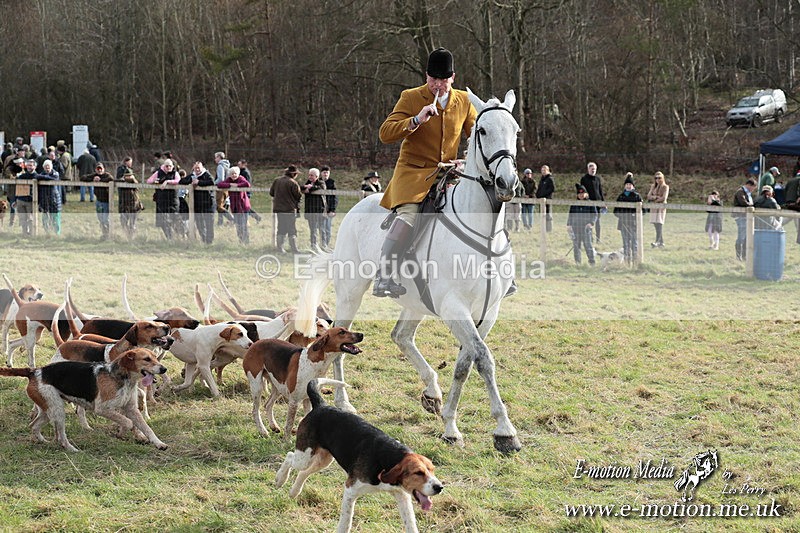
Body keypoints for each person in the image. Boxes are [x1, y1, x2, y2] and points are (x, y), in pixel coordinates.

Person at [375, 47, 477, 297]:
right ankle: (383, 276)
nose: (437, 85)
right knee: (409, 215)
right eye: (433, 79)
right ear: (426, 76)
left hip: (449, 175)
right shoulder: (410, 97)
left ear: (453, 78)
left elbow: (476, 136)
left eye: (443, 80)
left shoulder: (465, 100)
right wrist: (416, 120)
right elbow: (385, 133)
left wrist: (465, 160)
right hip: (413, 174)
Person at [180, 161, 215, 244]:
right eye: (195, 168)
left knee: (209, 222)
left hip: (208, 202)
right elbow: (182, 181)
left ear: (202, 168)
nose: (197, 169)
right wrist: (191, 182)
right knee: (199, 222)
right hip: (197, 203)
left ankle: (209, 241)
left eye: (198, 168)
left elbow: (212, 182)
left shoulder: (206, 174)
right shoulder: (192, 175)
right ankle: (203, 238)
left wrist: (199, 182)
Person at [269, 165, 302, 253]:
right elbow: (298, 196)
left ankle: (280, 248)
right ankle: (294, 248)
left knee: (281, 228)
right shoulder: (293, 183)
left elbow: (271, 193)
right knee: (291, 229)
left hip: (279, 209)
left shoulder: (277, 180)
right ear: (294, 174)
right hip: (289, 209)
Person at [147, 158, 181, 240]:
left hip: (172, 200)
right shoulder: (158, 172)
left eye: (170, 166)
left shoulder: (175, 173)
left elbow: (178, 180)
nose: (168, 167)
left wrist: (167, 182)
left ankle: (179, 236)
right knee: (163, 221)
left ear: (172, 166)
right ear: (164, 166)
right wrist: (156, 181)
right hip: (161, 200)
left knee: (174, 219)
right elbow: (149, 181)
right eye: (166, 166)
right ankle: (170, 238)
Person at [217, 166, 251, 244]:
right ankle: (241, 241)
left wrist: (236, 185)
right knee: (238, 225)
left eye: (235, 173)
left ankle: (246, 242)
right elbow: (220, 184)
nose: (234, 175)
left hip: (243, 206)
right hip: (235, 206)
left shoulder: (241, 178)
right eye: (232, 174)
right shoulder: (229, 180)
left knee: (243, 225)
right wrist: (230, 184)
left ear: (238, 174)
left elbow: (247, 184)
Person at [613, 173, 642, 266]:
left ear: (633, 186)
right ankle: (627, 263)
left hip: (633, 224)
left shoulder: (637, 196)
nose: (628, 186)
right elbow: (615, 211)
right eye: (627, 184)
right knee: (626, 244)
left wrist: (634, 216)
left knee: (634, 244)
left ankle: (636, 263)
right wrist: (622, 216)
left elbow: (643, 210)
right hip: (623, 224)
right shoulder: (621, 197)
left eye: (630, 184)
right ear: (624, 186)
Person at [81, 162, 114, 239]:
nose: (99, 170)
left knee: (105, 219)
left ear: (103, 169)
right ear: (95, 170)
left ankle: (109, 234)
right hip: (98, 201)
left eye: (101, 169)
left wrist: (100, 180)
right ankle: (104, 234)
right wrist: (93, 179)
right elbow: (83, 177)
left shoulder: (107, 175)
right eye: (98, 169)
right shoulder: (94, 175)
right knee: (100, 219)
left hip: (106, 202)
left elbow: (111, 179)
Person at [566, 183, 597, 265]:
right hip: (575, 228)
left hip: (586, 228)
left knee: (588, 245)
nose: (581, 195)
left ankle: (592, 262)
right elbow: (570, 215)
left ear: (586, 194)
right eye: (579, 194)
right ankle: (578, 263)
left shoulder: (590, 203)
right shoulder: (574, 204)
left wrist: (591, 223)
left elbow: (594, 215)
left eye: (583, 193)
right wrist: (569, 224)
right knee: (576, 246)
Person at [302, 168, 327, 252]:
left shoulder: (321, 183)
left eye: (312, 175)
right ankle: (314, 245)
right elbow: (301, 188)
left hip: (319, 210)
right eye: (309, 175)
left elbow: (321, 188)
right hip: (310, 210)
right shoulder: (307, 183)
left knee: (322, 229)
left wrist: (310, 188)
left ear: (317, 176)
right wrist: (306, 187)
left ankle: (324, 245)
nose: (310, 177)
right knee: (313, 229)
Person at [732, 178, 756, 261]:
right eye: (753, 188)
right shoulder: (740, 192)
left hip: (746, 216)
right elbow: (743, 203)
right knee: (741, 237)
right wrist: (752, 206)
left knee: (746, 237)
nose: (753, 190)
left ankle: (744, 256)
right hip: (741, 216)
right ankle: (738, 256)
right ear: (749, 185)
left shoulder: (747, 193)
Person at [116, 166, 143, 239]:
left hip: (134, 207)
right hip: (124, 206)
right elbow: (115, 181)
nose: (128, 177)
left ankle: (131, 238)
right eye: (126, 176)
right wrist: (122, 180)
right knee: (123, 223)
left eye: (129, 175)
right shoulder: (121, 182)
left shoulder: (134, 182)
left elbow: (136, 185)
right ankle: (128, 235)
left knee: (132, 224)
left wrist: (132, 179)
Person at [580, 162, 605, 241]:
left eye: (594, 169)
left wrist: (603, 202)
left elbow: (600, 191)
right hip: (589, 203)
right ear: (588, 169)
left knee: (598, 221)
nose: (593, 170)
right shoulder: (584, 179)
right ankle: (590, 238)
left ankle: (598, 238)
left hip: (598, 203)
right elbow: (582, 191)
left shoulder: (597, 179)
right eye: (592, 169)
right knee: (589, 221)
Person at [14, 159, 39, 236]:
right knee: (22, 218)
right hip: (20, 200)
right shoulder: (22, 176)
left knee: (31, 218)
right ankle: (24, 233)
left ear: (35, 167)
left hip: (31, 201)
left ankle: (31, 233)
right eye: (28, 165)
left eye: (31, 165)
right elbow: (17, 188)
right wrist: (15, 199)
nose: (29, 167)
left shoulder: (37, 176)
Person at [38, 160, 62, 235]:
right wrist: (45, 177)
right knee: (45, 218)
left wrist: (44, 177)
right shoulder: (41, 174)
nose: (47, 168)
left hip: (54, 198)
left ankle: (57, 233)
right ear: (43, 167)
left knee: (55, 217)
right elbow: (36, 177)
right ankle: (47, 233)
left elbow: (54, 178)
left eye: (48, 167)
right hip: (44, 199)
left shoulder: (55, 173)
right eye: (46, 167)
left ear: (51, 167)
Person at [646, 171, 670, 248]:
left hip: (660, 208)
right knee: (655, 224)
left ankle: (657, 241)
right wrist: (655, 197)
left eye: (659, 178)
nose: (657, 179)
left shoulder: (665, 187)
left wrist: (655, 200)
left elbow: (664, 198)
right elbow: (649, 196)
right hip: (654, 208)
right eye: (656, 178)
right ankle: (661, 242)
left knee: (659, 223)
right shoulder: (653, 186)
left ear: (662, 178)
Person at [237, 159, 262, 223]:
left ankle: (254, 218)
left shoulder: (245, 172)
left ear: (244, 164)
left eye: (239, 164)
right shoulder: (240, 171)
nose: (238, 165)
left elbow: (247, 183)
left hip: (246, 192)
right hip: (242, 192)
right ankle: (257, 217)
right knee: (244, 207)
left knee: (245, 207)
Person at [213, 151, 233, 226]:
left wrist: (213, 183)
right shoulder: (227, 166)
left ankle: (232, 219)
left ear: (219, 157)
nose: (215, 159)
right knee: (221, 205)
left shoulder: (220, 166)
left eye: (216, 157)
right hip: (226, 188)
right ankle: (220, 222)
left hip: (221, 188)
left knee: (218, 206)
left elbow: (221, 179)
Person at [321, 165, 336, 251]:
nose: (325, 174)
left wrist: (332, 210)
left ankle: (326, 244)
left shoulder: (332, 182)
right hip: (320, 209)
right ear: (321, 173)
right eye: (324, 172)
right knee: (321, 228)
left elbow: (334, 197)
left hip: (329, 209)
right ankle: (322, 245)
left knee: (328, 228)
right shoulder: (318, 182)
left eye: (327, 172)